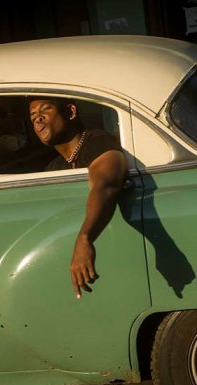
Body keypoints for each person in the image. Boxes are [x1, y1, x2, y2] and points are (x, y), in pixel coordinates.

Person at [28, 97, 127, 300]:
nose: (38, 118)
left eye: (45, 109)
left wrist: (84, 238)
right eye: (33, 115)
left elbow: (105, 186)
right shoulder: (56, 167)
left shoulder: (97, 142)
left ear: (71, 112)